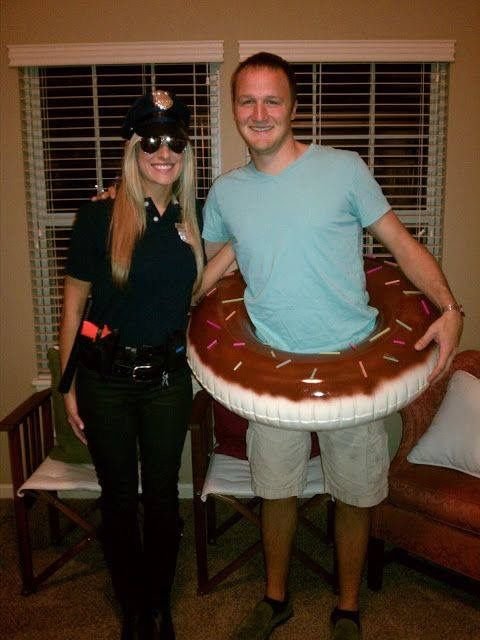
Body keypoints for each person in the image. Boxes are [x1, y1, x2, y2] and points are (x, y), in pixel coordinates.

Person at [201, 52, 464, 640]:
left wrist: (451, 309)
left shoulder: (344, 169)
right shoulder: (225, 193)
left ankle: (347, 608)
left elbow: (400, 243)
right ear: (234, 109)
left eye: (272, 100)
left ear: (294, 107)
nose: (260, 113)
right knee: (276, 493)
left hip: (354, 370)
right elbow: (219, 272)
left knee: (355, 495)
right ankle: (275, 599)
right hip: (272, 375)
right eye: (247, 101)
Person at [59, 89, 204, 640]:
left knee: (164, 498)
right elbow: (73, 306)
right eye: (151, 142)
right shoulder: (98, 216)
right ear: (133, 148)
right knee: (119, 500)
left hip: (167, 381)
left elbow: (195, 292)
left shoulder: (193, 218)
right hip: (106, 383)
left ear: (186, 150)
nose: (164, 153)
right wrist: (66, 385)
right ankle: (133, 609)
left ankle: (159, 604)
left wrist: (233, 251)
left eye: (175, 142)